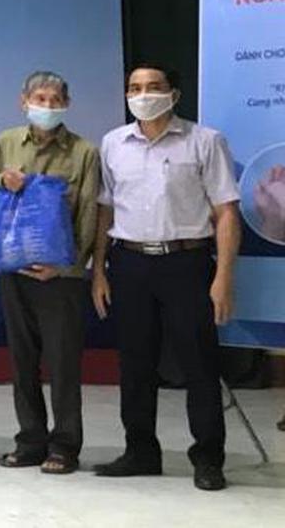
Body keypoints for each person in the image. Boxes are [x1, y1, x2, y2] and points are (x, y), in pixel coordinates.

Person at [92, 64, 240, 492]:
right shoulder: (113, 143)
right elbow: (105, 209)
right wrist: (98, 269)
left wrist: (223, 276)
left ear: (173, 94)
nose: (144, 94)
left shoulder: (204, 141)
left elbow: (226, 211)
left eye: (154, 87)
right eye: (135, 88)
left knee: (199, 363)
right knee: (135, 363)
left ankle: (208, 458)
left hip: (187, 262)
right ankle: (140, 451)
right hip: (129, 263)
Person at [0, 71, 101, 475]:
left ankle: (65, 446)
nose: (47, 106)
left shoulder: (84, 152)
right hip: (14, 271)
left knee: (63, 363)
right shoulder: (5, 143)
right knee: (22, 362)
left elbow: (88, 214)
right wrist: (1, 180)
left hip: (60, 276)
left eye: (55, 100)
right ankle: (30, 441)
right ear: (24, 101)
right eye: (40, 98)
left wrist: (68, 266)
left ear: (66, 104)